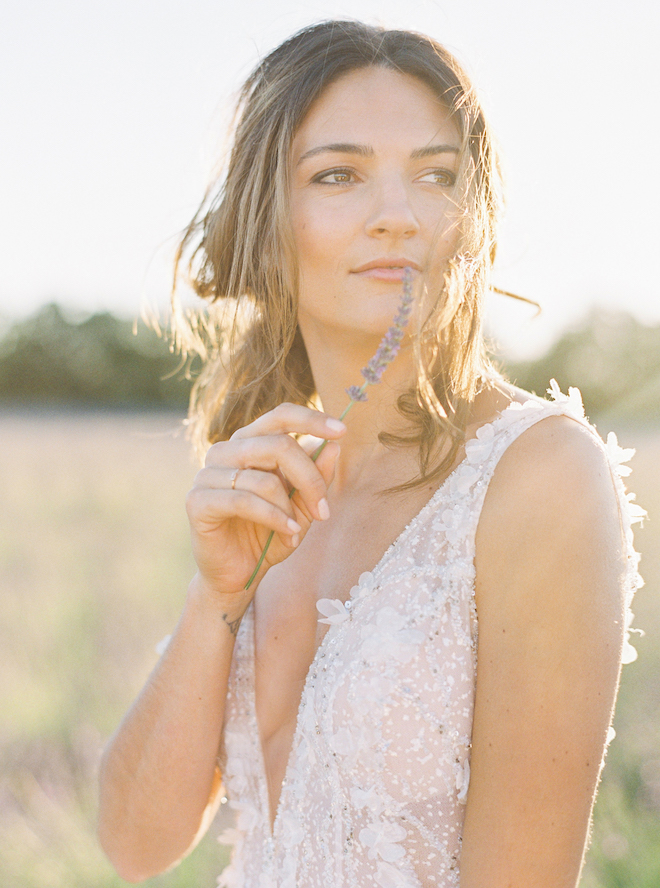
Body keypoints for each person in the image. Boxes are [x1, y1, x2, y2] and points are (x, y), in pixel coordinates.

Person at [97, 20, 643, 888]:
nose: (398, 216)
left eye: (436, 175)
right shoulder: (274, 475)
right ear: (265, 217)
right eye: (340, 175)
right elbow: (134, 844)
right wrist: (215, 600)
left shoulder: (537, 477)